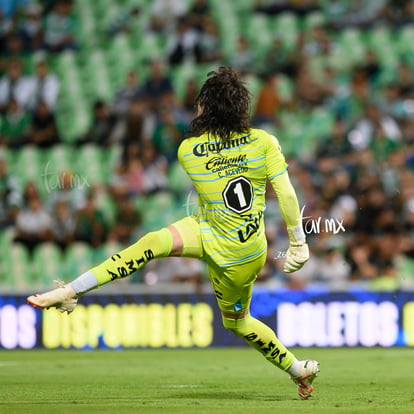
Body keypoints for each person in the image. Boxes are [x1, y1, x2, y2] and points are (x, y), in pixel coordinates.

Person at [27, 67, 319, 400]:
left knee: (234, 322)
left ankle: (297, 369)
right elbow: (286, 192)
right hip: (237, 242)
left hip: (230, 251)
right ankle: (72, 290)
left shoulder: (188, 151)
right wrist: (298, 242)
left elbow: (216, 163)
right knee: (155, 245)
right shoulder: (264, 141)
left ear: (207, 108)